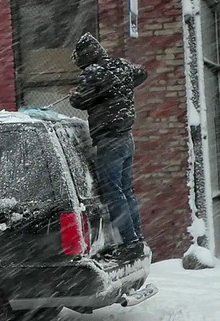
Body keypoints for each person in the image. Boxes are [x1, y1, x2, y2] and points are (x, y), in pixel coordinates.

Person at [68, 32, 148, 260]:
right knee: (126, 191)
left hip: (109, 140)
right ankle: (136, 238)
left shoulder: (94, 72)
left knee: (113, 193)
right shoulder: (120, 66)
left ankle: (129, 243)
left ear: (84, 57)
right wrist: (114, 86)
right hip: (125, 138)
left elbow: (79, 101)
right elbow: (141, 73)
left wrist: (77, 94)